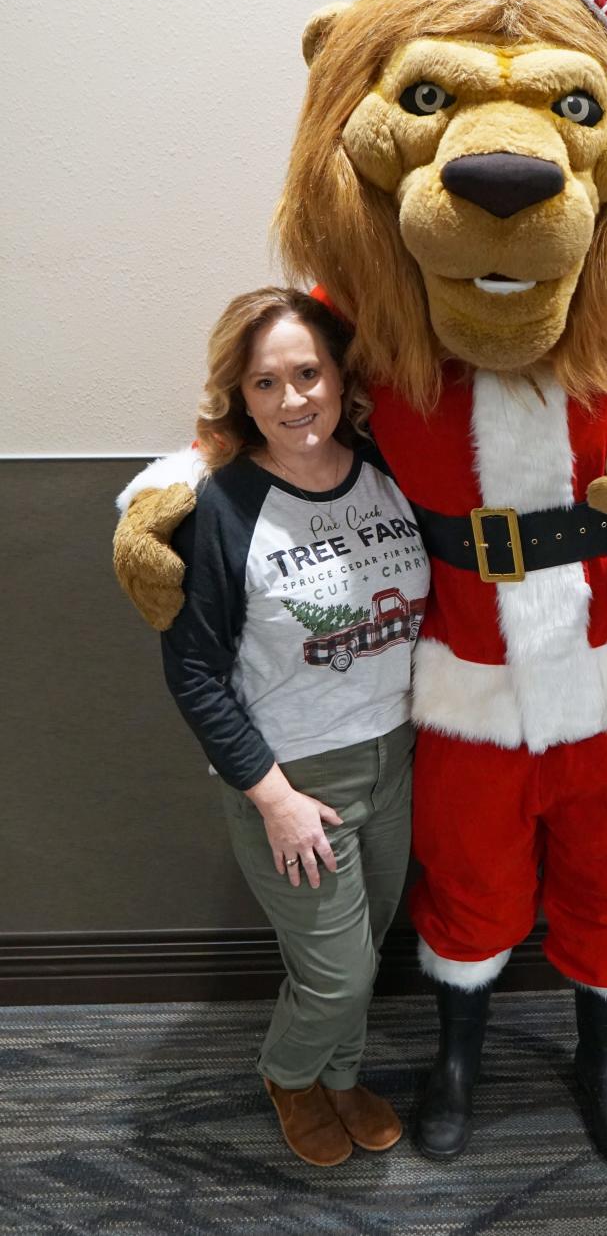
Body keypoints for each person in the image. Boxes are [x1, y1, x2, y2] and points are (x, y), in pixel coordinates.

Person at [159, 286, 429, 1166]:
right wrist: (272, 797)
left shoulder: (390, 469)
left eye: (307, 373)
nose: (293, 400)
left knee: (370, 948)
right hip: (293, 780)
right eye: (266, 384)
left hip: (396, 757)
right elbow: (193, 670)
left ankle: (341, 1078)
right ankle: (288, 1073)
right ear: (240, 396)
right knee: (337, 970)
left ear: (338, 375)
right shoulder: (225, 506)